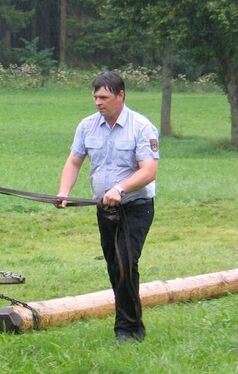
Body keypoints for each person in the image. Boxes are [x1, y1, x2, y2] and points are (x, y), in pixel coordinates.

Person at [56, 71, 159, 343]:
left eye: (104, 97)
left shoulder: (141, 127)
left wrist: (120, 189)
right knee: (115, 266)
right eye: (95, 97)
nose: (98, 103)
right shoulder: (87, 126)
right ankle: (133, 324)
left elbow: (149, 171)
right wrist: (64, 192)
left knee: (125, 262)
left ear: (121, 95)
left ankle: (126, 330)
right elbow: (74, 161)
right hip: (105, 210)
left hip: (135, 207)